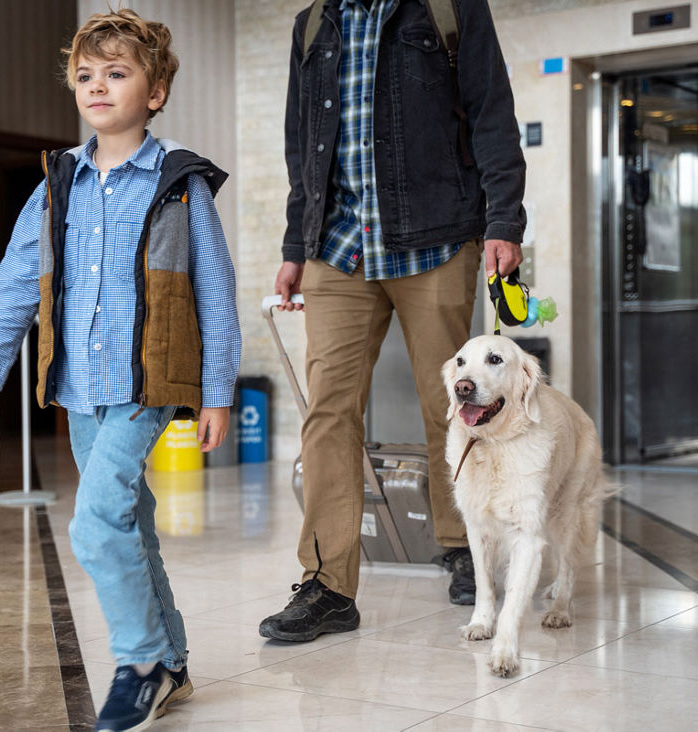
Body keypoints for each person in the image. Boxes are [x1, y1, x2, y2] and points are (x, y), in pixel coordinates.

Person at [0, 10, 239, 731]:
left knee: (92, 525)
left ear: (155, 91)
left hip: (146, 383)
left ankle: (139, 661)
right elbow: (18, 283)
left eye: (117, 73)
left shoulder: (180, 185)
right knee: (130, 519)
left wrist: (217, 393)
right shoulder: (56, 185)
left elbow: (213, 292)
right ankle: (173, 662)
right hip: (79, 388)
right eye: (86, 75)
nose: (98, 85)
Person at [260, 0, 526, 643]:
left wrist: (505, 221)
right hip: (337, 245)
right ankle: (327, 583)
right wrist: (296, 244)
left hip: (436, 237)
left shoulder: (448, 7)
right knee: (328, 408)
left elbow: (491, 108)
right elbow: (303, 146)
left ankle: (466, 548)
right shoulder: (314, 23)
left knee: (463, 403)